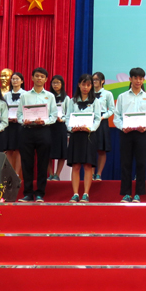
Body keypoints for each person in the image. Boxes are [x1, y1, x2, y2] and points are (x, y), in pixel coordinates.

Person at [114, 67, 146, 203]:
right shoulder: (122, 97)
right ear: (130, 79)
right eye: (135, 78)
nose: (138, 81)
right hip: (126, 134)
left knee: (141, 163)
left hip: (141, 134)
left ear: (143, 80)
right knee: (125, 163)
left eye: (141, 78)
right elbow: (117, 117)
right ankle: (126, 193)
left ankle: (138, 193)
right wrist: (123, 127)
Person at [17, 67, 58, 203]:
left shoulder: (50, 96)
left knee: (43, 162)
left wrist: (44, 121)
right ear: (32, 78)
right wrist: (24, 120)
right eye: (37, 76)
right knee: (26, 163)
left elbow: (53, 115)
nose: (39, 78)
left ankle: (40, 193)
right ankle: (28, 193)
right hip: (27, 130)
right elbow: (19, 115)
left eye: (42, 76)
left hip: (43, 130)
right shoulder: (25, 96)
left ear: (46, 79)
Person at [67, 74, 103, 203]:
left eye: (88, 85)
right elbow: (67, 117)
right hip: (76, 136)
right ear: (79, 85)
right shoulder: (73, 100)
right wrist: (71, 128)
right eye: (83, 84)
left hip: (89, 136)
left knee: (88, 166)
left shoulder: (95, 101)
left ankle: (86, 194)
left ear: (91, 86)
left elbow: (97, 118)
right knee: (76, 165)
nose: (85, 87)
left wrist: (90, 128)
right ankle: (75, 194)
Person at [91, 72, 115, 181]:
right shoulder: (89, 93)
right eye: (93, 79)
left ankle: (98, 174)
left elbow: (112, 109)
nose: (94, 81)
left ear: (103, 81)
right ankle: (91, 173)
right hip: (90, 120)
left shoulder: (107, 94)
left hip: (102, 121)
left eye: (97, 79)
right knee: (91, 149)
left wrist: (102, 117)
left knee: (101, 149)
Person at [48, 75, 70, 181]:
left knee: (61, 152)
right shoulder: (48, 96)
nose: (55, 85)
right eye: (53, 83)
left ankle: (57, 174)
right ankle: (50, 174)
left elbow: (69, 114)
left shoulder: (66, 98)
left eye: (58, 82)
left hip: (61, 126)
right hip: (49, 126)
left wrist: (62, 119)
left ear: (62, 84)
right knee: (48, 151)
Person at [3, 72, 25, 179]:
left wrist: (20, 118)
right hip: (9, 125)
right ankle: (10, 173)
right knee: (9, 149)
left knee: (19, 149)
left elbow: (26, 108)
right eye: (13, 79)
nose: (15, 81)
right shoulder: (6, 95)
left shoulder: (25, 94)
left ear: (22, 81)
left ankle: (17, 174)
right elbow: (3, 109)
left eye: (17, 79)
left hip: (20, 125)